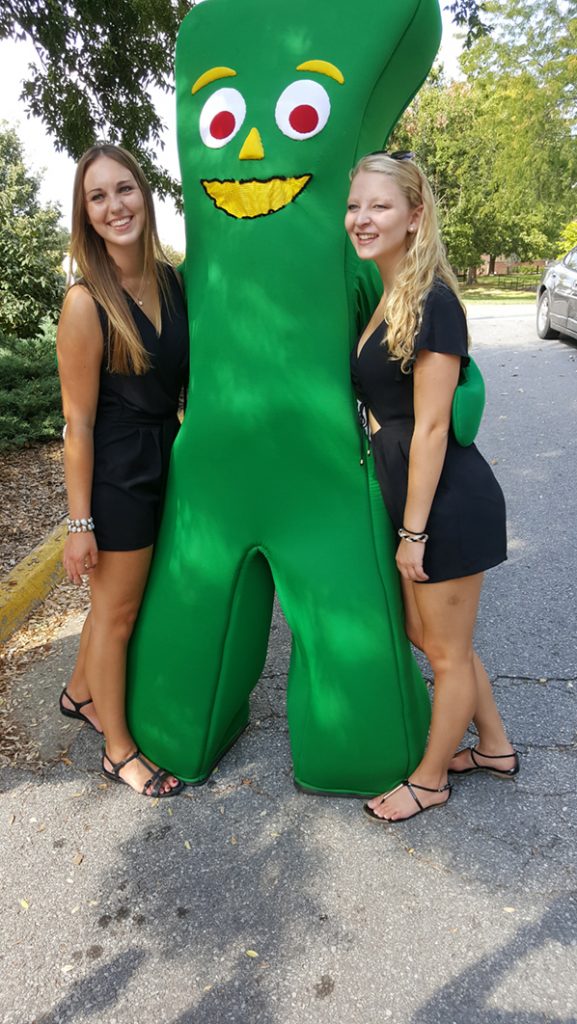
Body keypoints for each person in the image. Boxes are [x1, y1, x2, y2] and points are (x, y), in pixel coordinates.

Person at [347, 152, 518, 823]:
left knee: (444, 652)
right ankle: (493, 747)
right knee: (433, 639)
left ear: (414, 215)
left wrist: (412, 532)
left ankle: (427, 781)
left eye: (378, 206)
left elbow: (431, 426)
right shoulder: (385, 292)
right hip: (413, 496)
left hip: (445, 503)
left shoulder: (432, 300)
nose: (361, 218)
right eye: (355, 205)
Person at [57, 143, 189, 798]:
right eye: (98, 196)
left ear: (145, 194)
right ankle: (117, 750)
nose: (115, 206)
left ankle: (81, 693)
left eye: (125, 189)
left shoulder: (172, 281)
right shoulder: (85, 303)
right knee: (117, 614)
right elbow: (76, 425)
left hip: (169, 456)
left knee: (114, 606)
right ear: (86, 215)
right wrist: (79, 523)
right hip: (118, 473)